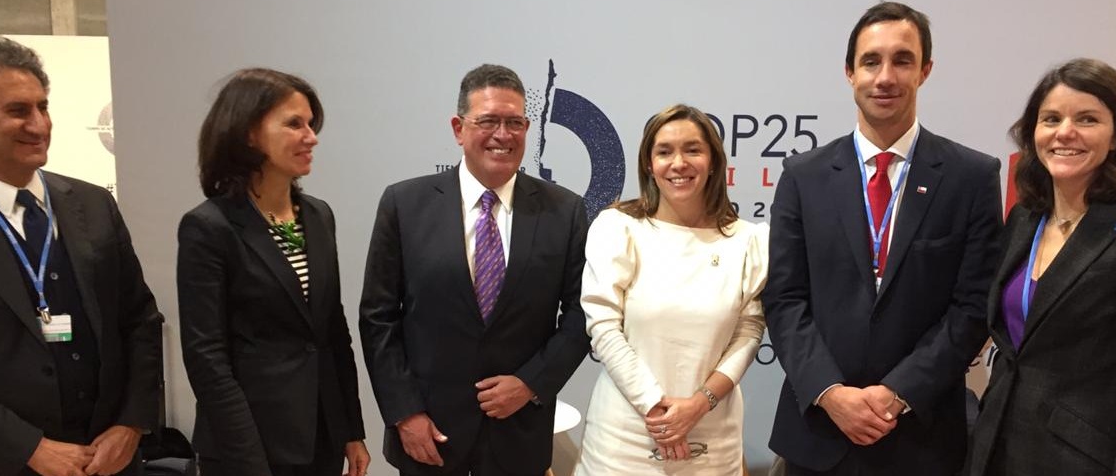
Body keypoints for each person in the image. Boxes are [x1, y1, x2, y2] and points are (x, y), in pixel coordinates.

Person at [762, 1, 1002, 475]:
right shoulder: (803, 176)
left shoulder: (971, 176)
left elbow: (973, 308)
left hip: (922, 437)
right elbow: (785, 299)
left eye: (902, 60)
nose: (885, 76)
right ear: (849, 72)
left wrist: (899, 393)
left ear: (925, 71)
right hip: (818, 434)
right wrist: (830, 393)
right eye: (871, 61)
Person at [0, 36, 163, 475]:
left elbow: (138, 319)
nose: (39, 125)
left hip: (108, 461)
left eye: (43, 107)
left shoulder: (93, 205)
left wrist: (131, 424)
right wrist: (30, 449)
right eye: (18, 111)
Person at [359, 64, 591, 475]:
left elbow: (580, 315)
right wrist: (404, 413)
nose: (503, 134)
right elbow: (378, 319)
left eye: (515, 122)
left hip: (518, 433)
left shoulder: (565, 211)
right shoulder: (404, 204)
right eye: (487, 121)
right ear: (458, 128)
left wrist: (531, 383)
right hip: (428, 435)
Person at [966, 58, 1116, 476]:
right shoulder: (1025, 218)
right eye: (1051, 118)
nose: (1065, 132)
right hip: (995, 447)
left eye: (1087, 119)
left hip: (1083, 459)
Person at [177, 68, 370, 476]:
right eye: (294, 124)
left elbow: (332, 332)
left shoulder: (318, 216)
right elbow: (207, 356)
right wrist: (246, 457)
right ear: (249, 132)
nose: (311, 137)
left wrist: (351, 429)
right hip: (247, 446)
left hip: (319, 439)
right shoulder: (210, 227)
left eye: (311, 125)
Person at [573, 104, 768, 474]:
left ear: (713, 161)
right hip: (626, 437)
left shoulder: (751, 240)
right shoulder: (617, 228)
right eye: (664, 151)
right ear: (649, 164)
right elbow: (602, 326)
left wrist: (699, 404)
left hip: (713, 437)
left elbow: (749, 331)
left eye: (693, 149)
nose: (678, 163)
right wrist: (658, 410)